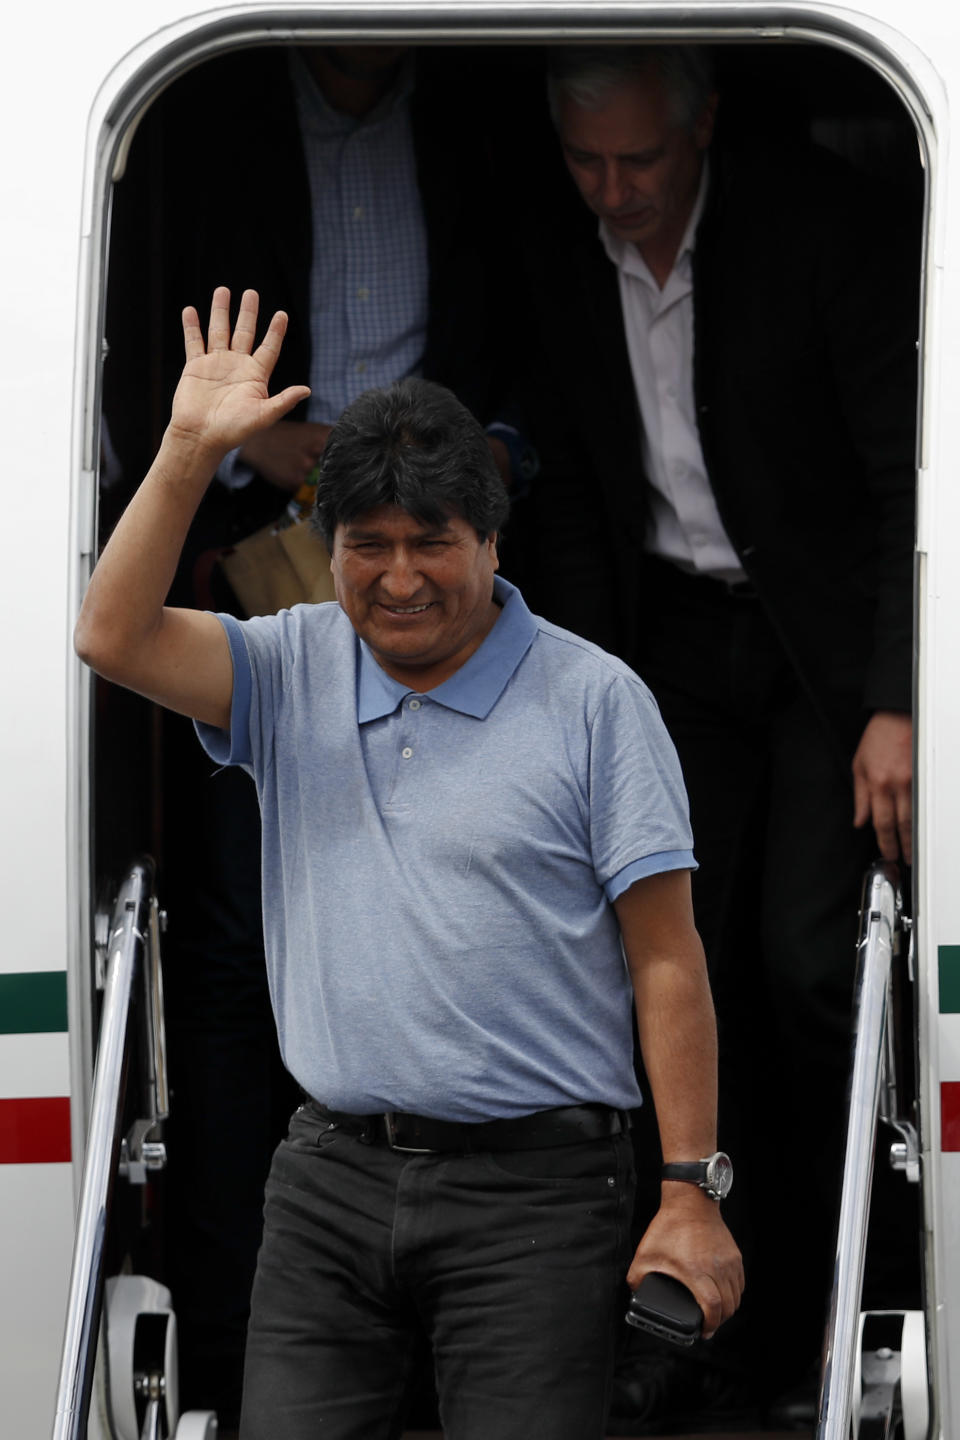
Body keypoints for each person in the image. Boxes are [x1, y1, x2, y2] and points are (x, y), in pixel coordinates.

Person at [75, 287, 743, 1440]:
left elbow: (667, 960)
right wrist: (189, 451)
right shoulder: (289, 665)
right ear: (325, 548)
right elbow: (110, 636)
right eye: (365, 546)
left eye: (431, 542)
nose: (397, 577)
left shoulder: (595, 701)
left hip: (538, 1192)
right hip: (331, 1177)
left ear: (491, 539)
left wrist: (690, 1192)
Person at [109, 45, 527, 1425]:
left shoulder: (479, 106)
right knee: (247, 961)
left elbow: (532, 332)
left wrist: (460, 491)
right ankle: (241, 1339)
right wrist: (240, 454)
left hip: (456, 588)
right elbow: (118, 381)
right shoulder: (196, 99)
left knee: (476, 931)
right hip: (262, 580)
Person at [511, 45, 919, 1423]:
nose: (613, 193)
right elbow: (563, 491)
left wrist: (898, 697)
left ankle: (857, 1291)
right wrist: (574, 692)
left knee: (809, 966)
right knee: (676, 970)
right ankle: (702, 1332)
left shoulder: (820, 226)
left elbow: (903, 478)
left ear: (706, 132)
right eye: (587, 164)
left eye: (640, 161)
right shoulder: (555, 248)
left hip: (817, 646)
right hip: (661, 642)